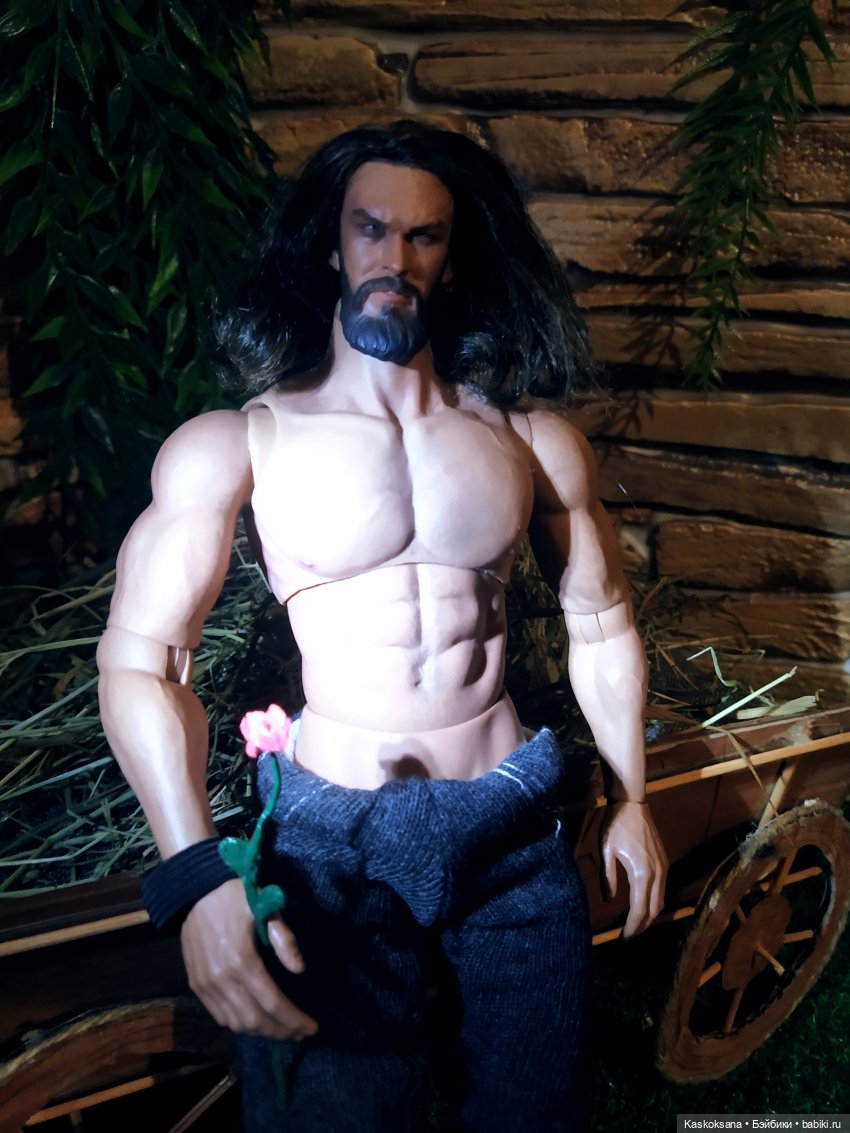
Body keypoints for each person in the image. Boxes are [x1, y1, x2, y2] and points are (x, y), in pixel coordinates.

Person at [97, 120, 667, 1131]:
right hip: (330, 837)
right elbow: (143, 661)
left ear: (453, 257)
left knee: (536, 1104)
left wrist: (632, 797)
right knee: (334, 1110)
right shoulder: (240, 443)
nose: (393, 260)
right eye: (370, 229)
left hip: (505, 820)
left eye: (422, 236)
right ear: (331, 244)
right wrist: (197, 875)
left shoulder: (527, 441)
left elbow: (602, 619)